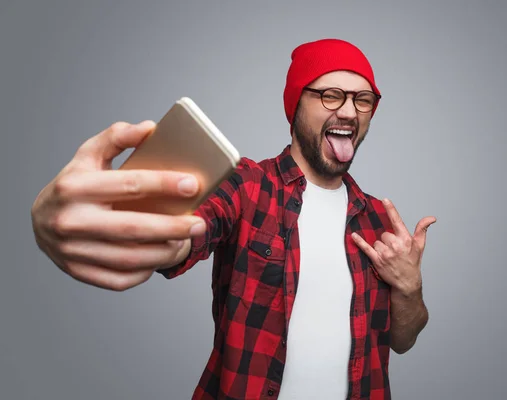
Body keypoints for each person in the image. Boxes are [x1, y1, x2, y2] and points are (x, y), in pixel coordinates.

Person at [31, 38, 436, 400]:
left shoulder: (378, 221)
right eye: (331, 95)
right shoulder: (247, 185)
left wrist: (409, 286)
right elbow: (191, 232)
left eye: (362, 100)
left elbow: (402, 339)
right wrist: (146, 233)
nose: (349, 111)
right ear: (296, 105)